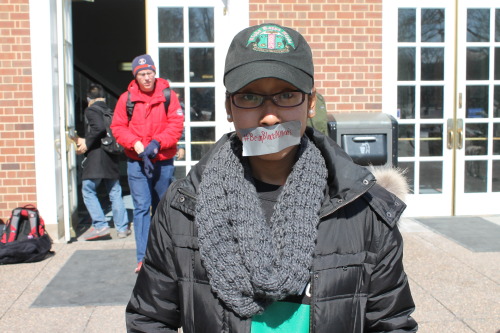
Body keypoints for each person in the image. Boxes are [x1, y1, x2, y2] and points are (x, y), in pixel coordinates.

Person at [126, 24, 417, 332]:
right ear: (229, 106)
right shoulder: (181, 209)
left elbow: (391, 323)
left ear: (311, 103)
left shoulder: (364, 211)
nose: (269, 115)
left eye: (287, 95)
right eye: (250, 97)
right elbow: (150, 320)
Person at [111, 54, 184, 272]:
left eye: (149, 73)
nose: (146, 78)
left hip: (163, 161)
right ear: (136, 76)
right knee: (142, 208)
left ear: (155, 73)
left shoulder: (169, 96)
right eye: (142, 74)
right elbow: (117, 127)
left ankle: (164, 254)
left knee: (162, 207)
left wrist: (157, 143)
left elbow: (175, 125)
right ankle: (142, 258)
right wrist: (133, 142)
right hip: (136, 163)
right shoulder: (127, 99)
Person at [78, 83, 130, 241]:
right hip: (111, 157)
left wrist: (87, 142)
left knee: (88, 190)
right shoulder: (110, 111)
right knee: (115, 192)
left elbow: (98, 128)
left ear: (89, 98)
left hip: (97, 157)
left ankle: (100, 226)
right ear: (103, 97)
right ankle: (122, 229)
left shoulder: (91, 109)